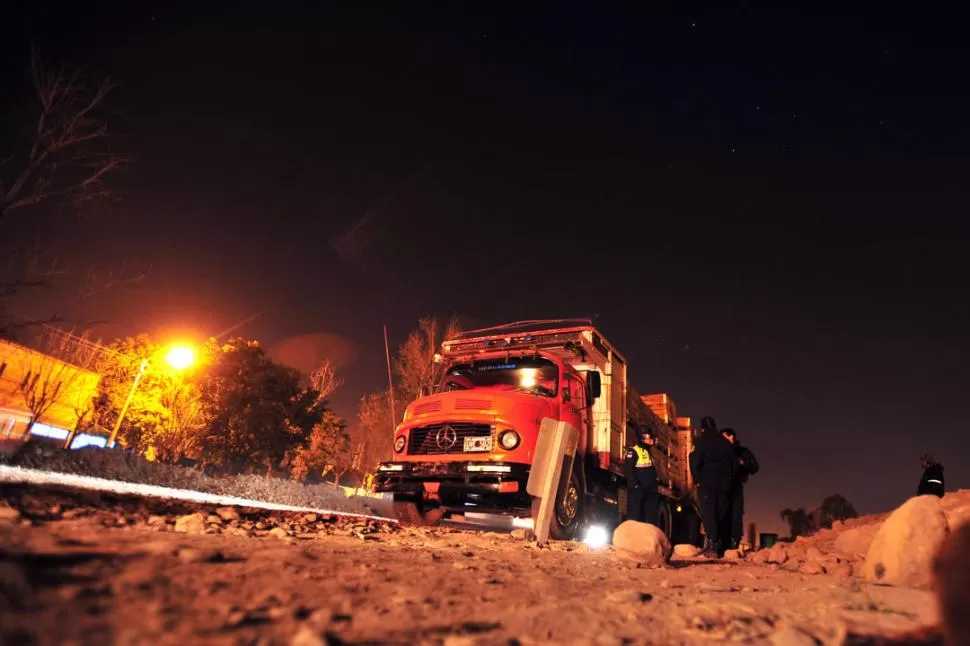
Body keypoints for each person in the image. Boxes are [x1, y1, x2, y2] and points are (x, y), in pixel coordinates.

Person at [690, 415, 735, 557]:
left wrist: (697, 479)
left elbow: (693, 461)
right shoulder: (726, 443)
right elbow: (734, 463)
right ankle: (721, 544)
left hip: (707, 480)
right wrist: (729, 479)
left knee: (709, 511)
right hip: (724, 481)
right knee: (721, 511)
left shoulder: (700, 441)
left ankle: (713, 544)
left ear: (702, 428)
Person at [721, 428, 759, 550]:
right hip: (722, 486)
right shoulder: (719, 450)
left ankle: (734, 541)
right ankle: (723, 542)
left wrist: (742, 464)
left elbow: (754, 467)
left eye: (726, 437)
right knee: (723, 513)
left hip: (735, 485)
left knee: (736, 513)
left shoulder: (742, 451)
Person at [624, 427, 659, 526]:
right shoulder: (633, 451)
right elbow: (629, 471)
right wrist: (635, 486)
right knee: (635, 518)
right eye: (649, 438)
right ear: (642, 438)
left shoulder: (648, 452)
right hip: (637, 492)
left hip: (648, 491)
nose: (651, 440)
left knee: (648, 519)